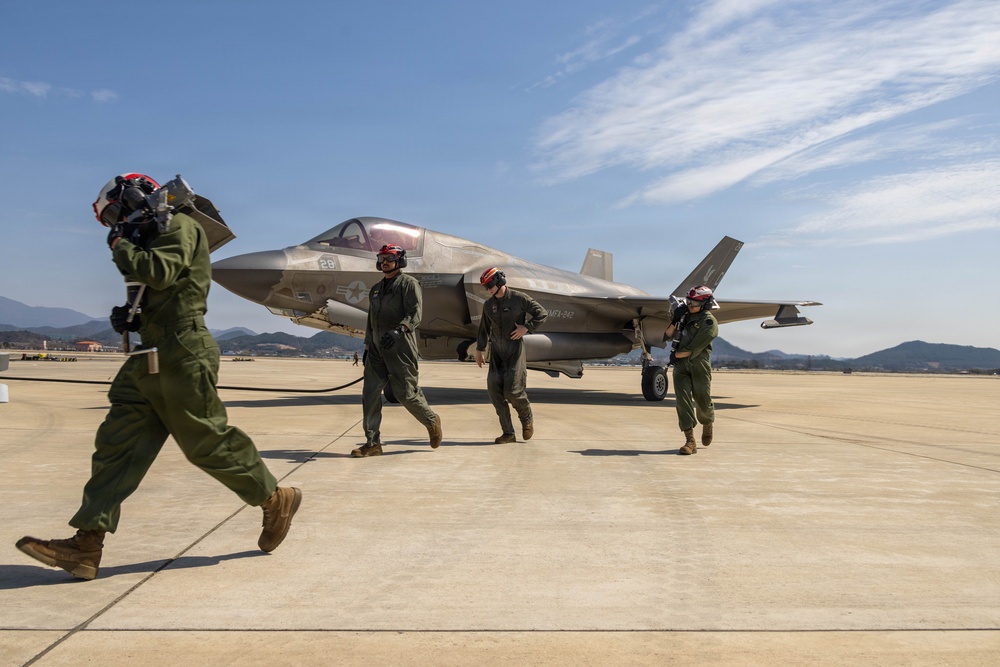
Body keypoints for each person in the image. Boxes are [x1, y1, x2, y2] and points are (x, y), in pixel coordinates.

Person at [16, 173, 301, 580]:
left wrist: (121, 246)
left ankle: (275, 498)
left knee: (205, 442)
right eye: (110, 220)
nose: (116, 223)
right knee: (117, 446)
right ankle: (86, 545)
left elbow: (162, 272)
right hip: (149, 354)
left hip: (181, 350)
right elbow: (159, 285)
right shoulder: (151, 236)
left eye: (114, 213)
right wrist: (132, 315)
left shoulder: (180, 225)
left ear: (134, 196)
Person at [352, 244, 442, 457]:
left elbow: (415, 312)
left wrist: (400, 329)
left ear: (400, 260)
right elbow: (371, 320)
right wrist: (367, 346)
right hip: (377, 350)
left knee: (405, 393)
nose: (385, 262)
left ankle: (431, 420)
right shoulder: (376, 289)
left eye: (390, 258)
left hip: (400, 348)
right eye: (382, 258)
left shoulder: (408, 284)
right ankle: (373, 443)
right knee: (370, 394)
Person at [474, 268, 548, 443]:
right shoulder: (488, 305)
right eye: (486, 287)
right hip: (497, 353)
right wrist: (479, 349)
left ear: (499, 281)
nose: (488, 289)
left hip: (515, 351)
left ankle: (526, 417)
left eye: (490, 285)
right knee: (494, 392)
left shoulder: (519, 299)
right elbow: (484, 328)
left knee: (513, 392)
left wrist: (526, 328)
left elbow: (542, 313)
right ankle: (508, 433)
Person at [664, 285, 719, 455]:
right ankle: (690, 441)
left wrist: (677, 355)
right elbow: (667, 335)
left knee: (702, 399)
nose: (689, 306)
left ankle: (707, 422)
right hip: (681, 365)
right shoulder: (684, 317)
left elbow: (695, 347)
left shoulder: (709, 322)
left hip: (698, 363)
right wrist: (675, 319)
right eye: (688, 302)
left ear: (705, 304)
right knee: (682, 401)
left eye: (694, 303)